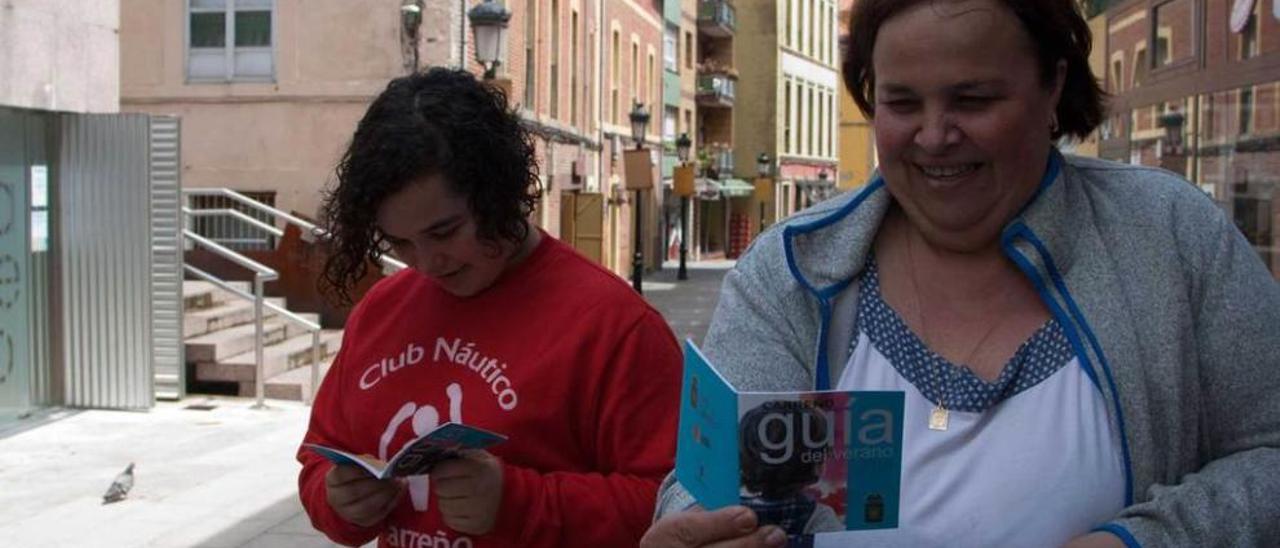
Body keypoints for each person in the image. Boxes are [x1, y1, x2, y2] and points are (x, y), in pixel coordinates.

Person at [641, 1, 1280, 547]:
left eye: (973, 100)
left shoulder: (1168, 235)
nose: (935, 135)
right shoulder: (790, 272)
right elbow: (710, 482)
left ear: (1053, 85)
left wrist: (1144, 539)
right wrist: (696, 525)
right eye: (901, 102)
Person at [296, 68, 682, 548]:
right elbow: (320, 459)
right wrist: (338, 502)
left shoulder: (616, 325)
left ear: (497, 193)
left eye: (444, 232)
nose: (426, 262)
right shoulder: (381, 310)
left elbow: (674, 506)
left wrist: (518, 503)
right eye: (399, 242)